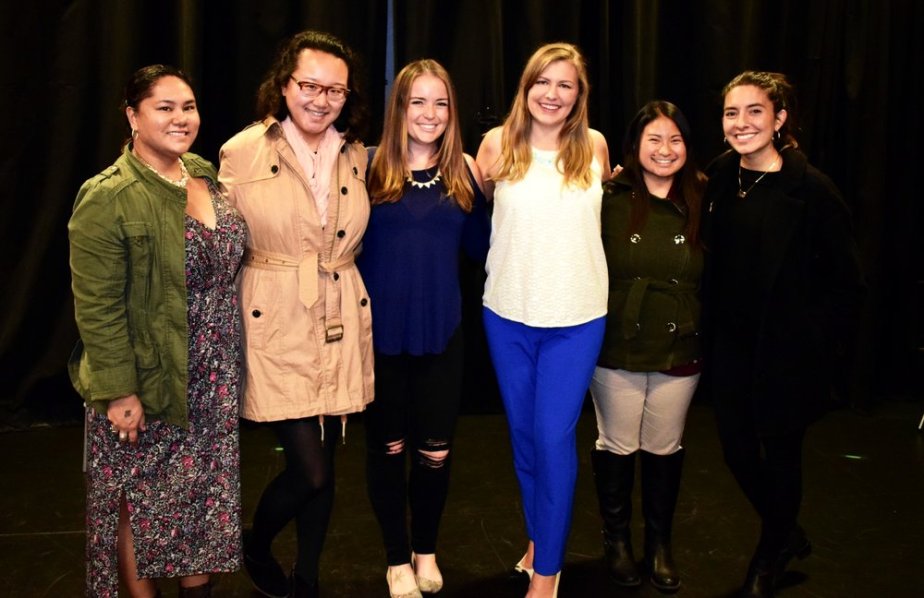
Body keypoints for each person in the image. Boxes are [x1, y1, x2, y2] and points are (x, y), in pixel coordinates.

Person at [68, 64, 246, 597]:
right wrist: (120, 391)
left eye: (187, 106)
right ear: (132, 115)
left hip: (212, 374)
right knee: (140, 503)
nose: (180, 118)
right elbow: (96, 306)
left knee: (200, 501)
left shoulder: (200, 170)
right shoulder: (108, 195)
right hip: (148, 374)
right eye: (164, 108)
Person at [218, 30, 373, 598]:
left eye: (335, 89)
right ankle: (255, 545)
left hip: (338, 311)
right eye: (309, 85)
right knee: (312, 469)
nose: (320, 98)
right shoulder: (240, 151)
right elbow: (219, 241)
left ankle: (307, 576)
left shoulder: (356, 152)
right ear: (284, 85)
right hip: (275, 314)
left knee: (328, 454)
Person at [702, 71, 865, 598]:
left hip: (788, 353)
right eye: (732, 112)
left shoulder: (811, 188)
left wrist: (816, 342)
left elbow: (848, 281)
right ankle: (788, 531)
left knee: (782, 454)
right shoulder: (722, 176)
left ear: (779, 118)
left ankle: (769, 556)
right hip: (730, 347)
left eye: (755, 111)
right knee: (736, 450)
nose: (742, 122)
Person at [475, 42, 611, 598]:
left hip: (576, 318)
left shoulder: (595, 149)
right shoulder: (496, 146)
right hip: (507, 313)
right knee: (524, 438)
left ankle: (548, 573)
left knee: (555, 439)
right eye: (543, 83)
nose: (552, 95)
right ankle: (538, 537)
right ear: (526, 87)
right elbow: (485, 209)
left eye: (566, 86)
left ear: (579, 96)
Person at [357, 58, 490, 598]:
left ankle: (425, 549)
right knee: (387, 450)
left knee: (434, 454)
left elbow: (484, 252)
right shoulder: (366, 169)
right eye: (418, 101)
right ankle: (395, 558)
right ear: (400, 107)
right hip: (380, 339)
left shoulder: (465, 174)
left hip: (443, 335)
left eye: (441, 102)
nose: (430, 113)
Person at [589, 100, 706, 593]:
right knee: (617, 444)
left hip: (680, 344)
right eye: (654, 139)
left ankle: (659, 543)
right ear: (635, 145)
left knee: (663, 447)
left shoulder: (704, 195)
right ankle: (617, 542)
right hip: (617, 342)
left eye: (675, 139)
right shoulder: (606, 196)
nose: (665, 149)